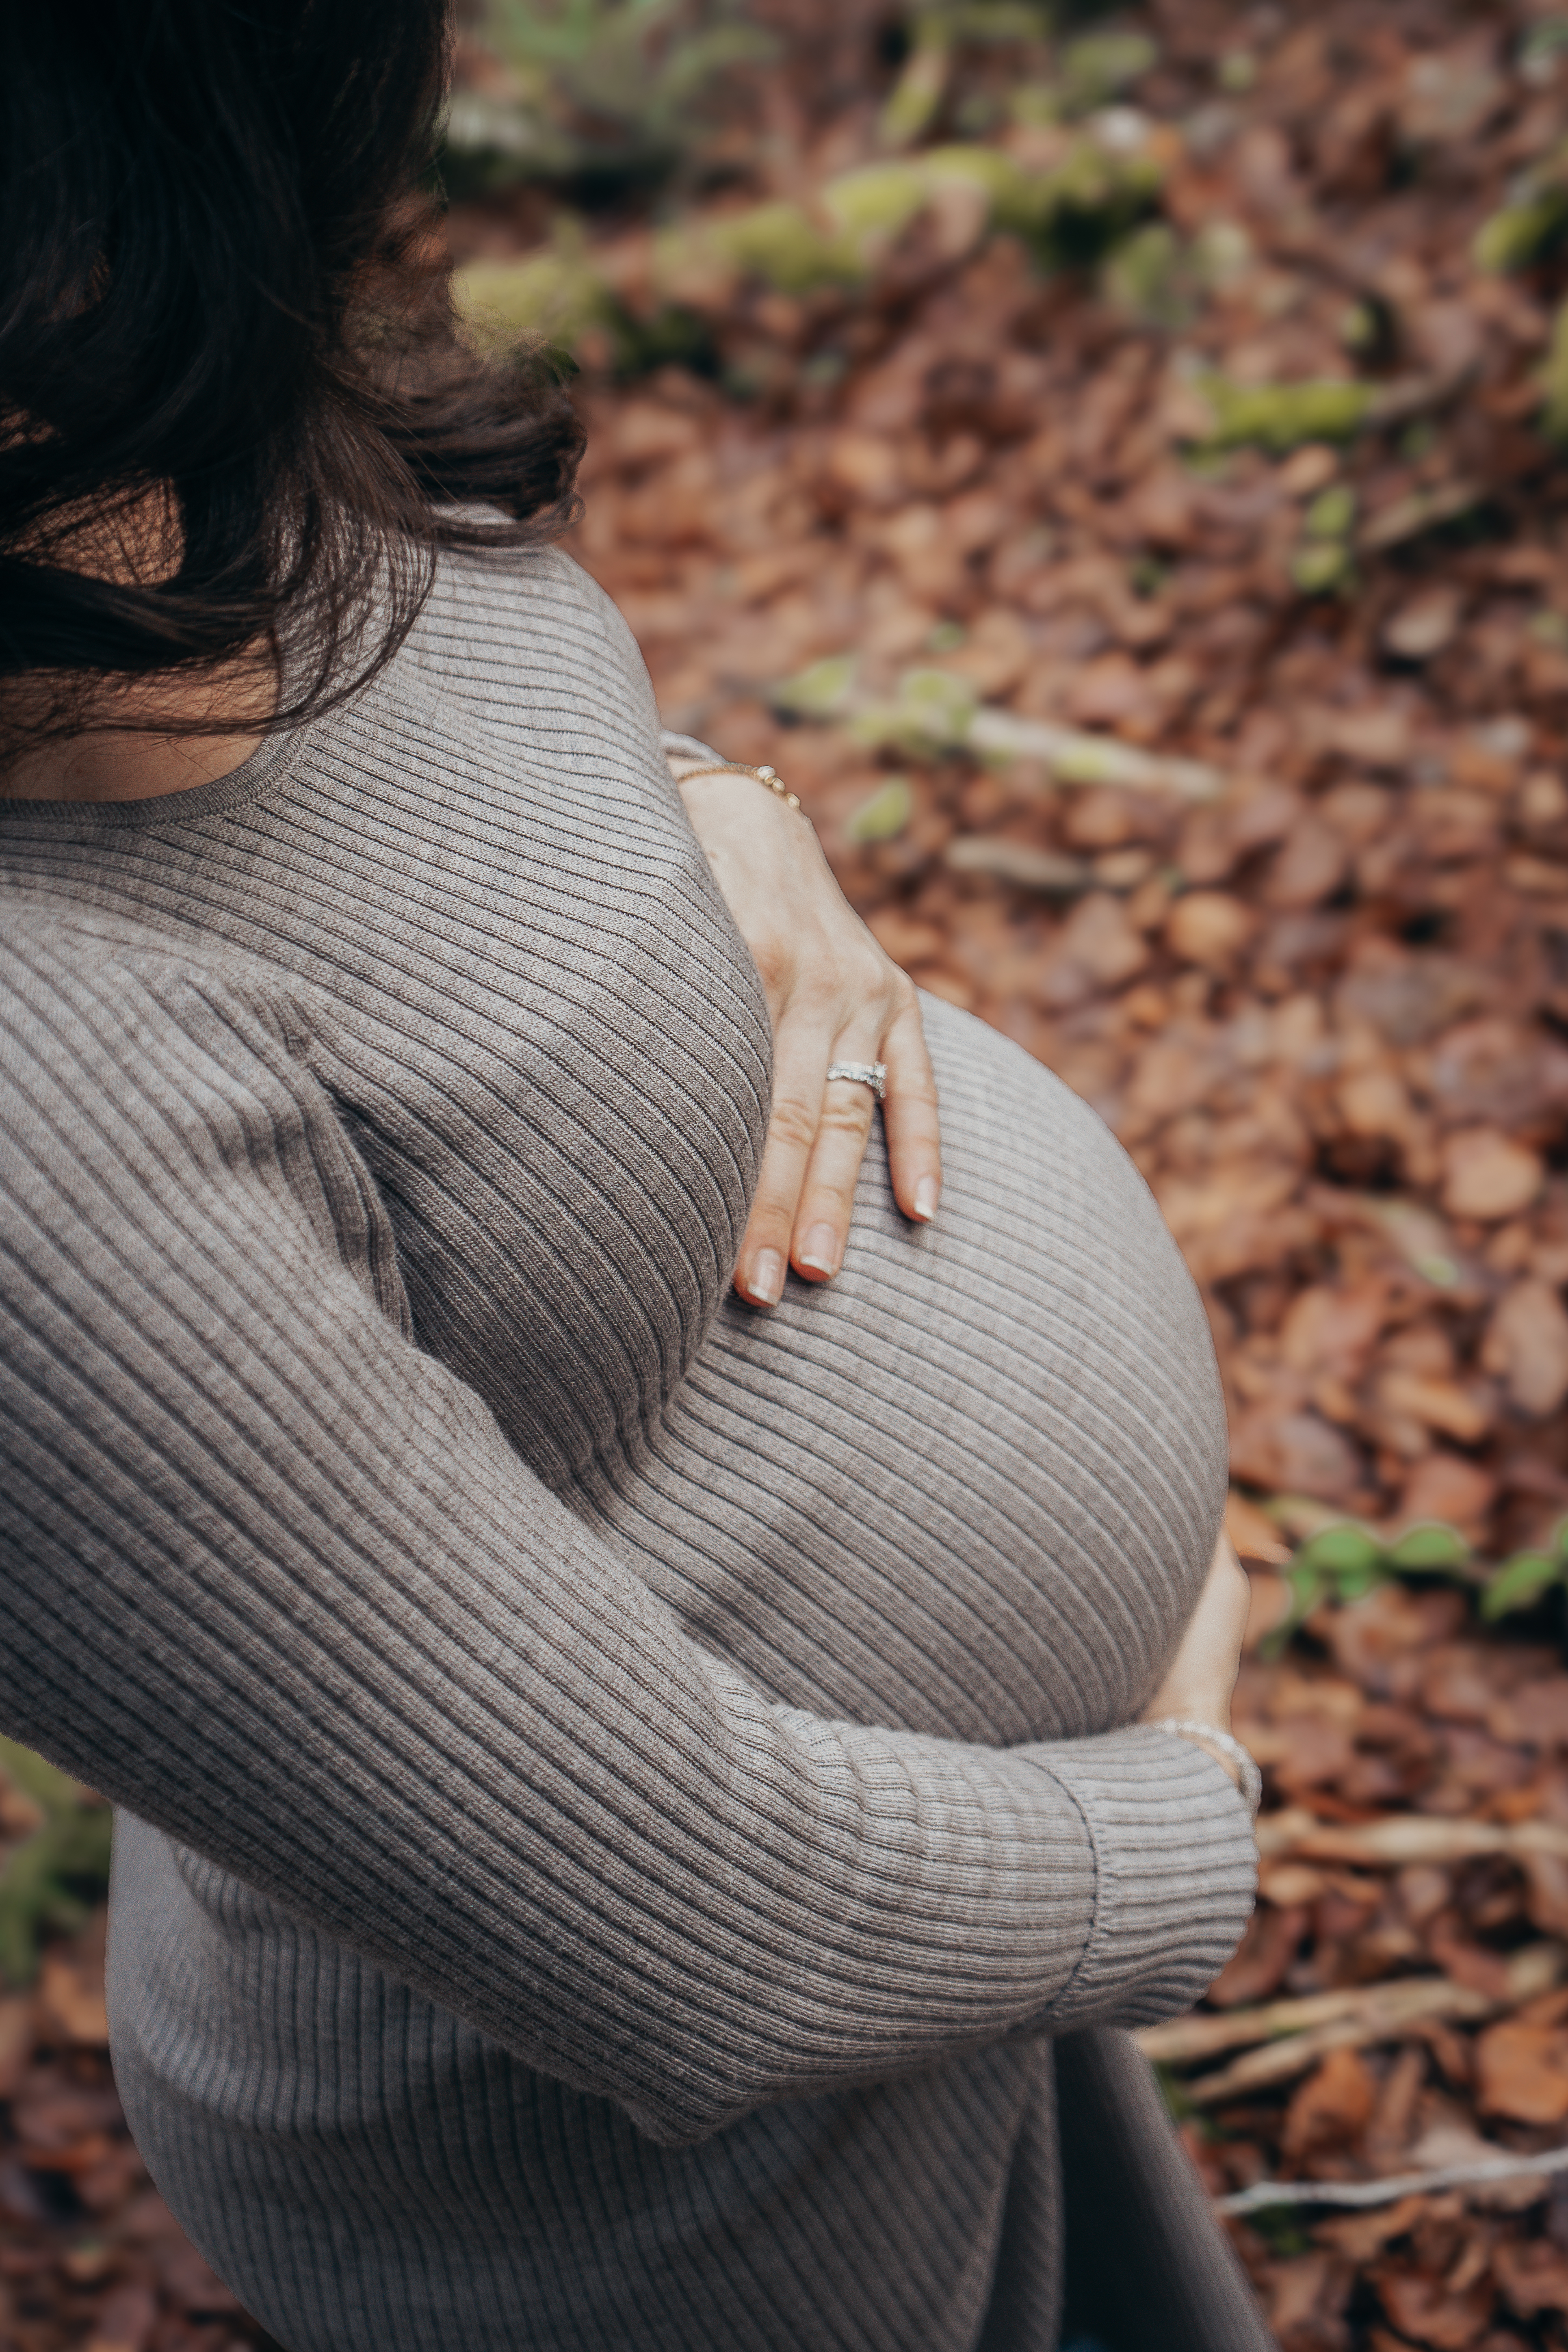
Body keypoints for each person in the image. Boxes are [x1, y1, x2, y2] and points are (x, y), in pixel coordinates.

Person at [0, 4, 1269, 2348]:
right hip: (620, 2173)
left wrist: (711, 809)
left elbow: (421, 795)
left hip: (955, 1910)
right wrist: (1189, 1787)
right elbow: (704, 1934)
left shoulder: (200, 428)